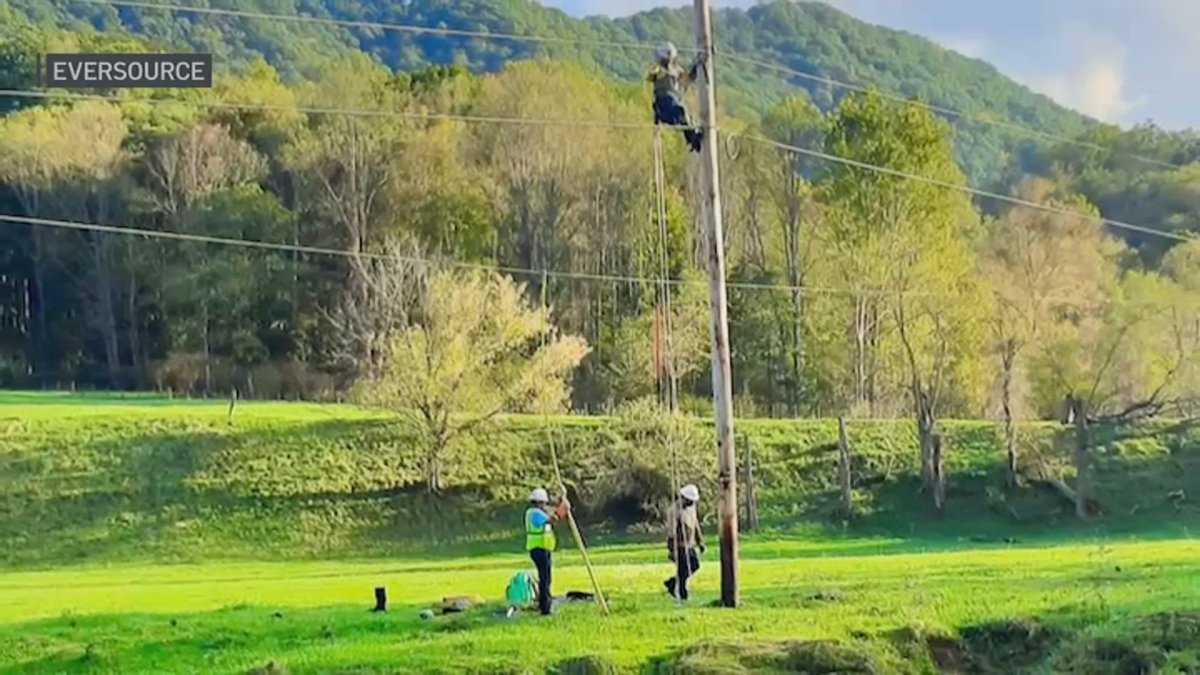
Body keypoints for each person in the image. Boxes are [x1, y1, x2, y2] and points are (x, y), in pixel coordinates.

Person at [647, 42, 706, 152]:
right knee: (680, 111)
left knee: (684, 114)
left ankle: (692, 139)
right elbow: (652, 75)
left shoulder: (676, 70)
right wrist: (664, 70)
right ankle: (692, 137)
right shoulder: (658, 69)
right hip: (663, 104)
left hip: (674, 103)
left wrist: (696, 66)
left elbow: (686, 80)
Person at [525, 487, 568, 616]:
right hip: (539, 549)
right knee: (545, 579)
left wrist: (561, 503)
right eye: (543, 503)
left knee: (546, 578)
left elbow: (551, 513)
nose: (545, 505)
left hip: (542, 549)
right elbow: (553, 518)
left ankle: (544, 603)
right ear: (539, 502)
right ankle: (545, 607)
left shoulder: (536, 512)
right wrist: (562, 509)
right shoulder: (535, 514)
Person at [664, 483, 706, 601]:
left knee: (694, 565)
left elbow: (695, 525)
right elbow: (671, 531)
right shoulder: (674, 511)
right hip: (679, 545)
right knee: (683, 569)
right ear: (684, 498)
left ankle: (672, 583)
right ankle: (682, 592)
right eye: (690, 500)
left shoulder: (691, 509)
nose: (692, 503)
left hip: (690, 544)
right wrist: (672, 549)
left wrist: (700, 542)